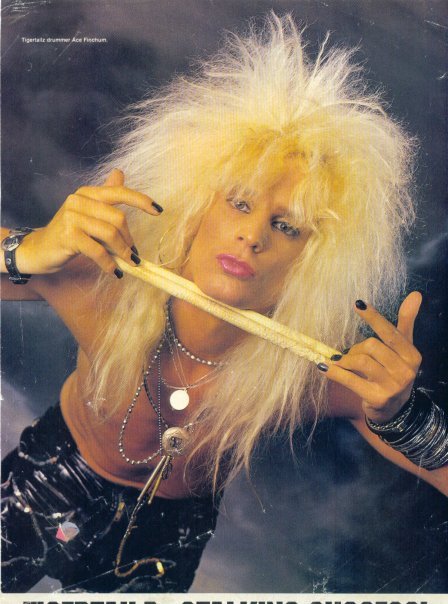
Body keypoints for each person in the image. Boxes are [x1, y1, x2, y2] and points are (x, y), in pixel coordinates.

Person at [1, 13, 447, 593]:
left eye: (286, 226)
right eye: (239, 202)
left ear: (314, 262)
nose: (252, 235)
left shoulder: (312, 375)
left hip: (167, 542)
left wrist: (401, 415)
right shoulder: (104, 283)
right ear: (196, 208)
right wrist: (27, 249)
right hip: (46, 483)